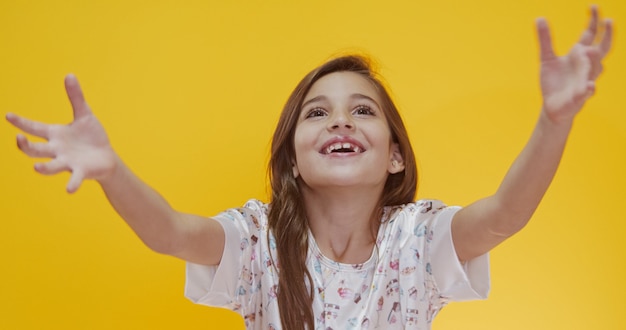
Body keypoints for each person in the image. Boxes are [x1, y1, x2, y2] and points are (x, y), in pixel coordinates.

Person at [5, 6, 613, 330]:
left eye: (363, 111)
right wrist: (111, 170)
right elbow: (169, 231)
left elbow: (506, 215)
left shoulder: (417, 240)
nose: (340, 122)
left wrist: (554, 121)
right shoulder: (257, 241)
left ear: (395, 154)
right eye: (317, 113)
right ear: (292, 161)